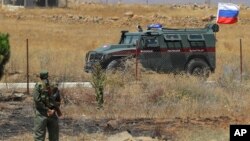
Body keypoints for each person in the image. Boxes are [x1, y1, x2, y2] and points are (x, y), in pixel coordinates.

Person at [33, 71, 62, 141]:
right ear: (48, 76)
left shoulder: (38, 86)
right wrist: (53, 110)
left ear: (40, 77)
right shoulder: (54, 85)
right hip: (52, 114)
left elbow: (37, 100)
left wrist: (47, 110)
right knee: (54, 137)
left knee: (39, 137)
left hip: (41, 114)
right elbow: (58, 100)